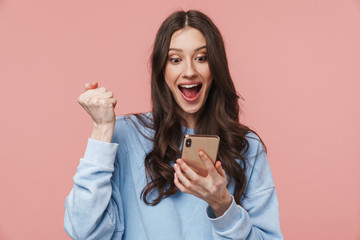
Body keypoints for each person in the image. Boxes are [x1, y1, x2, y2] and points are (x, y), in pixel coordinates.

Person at [64, 10, 283, 240]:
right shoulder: (124, 135)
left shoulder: (246, 146)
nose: (189, 71)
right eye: (175, 60)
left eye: (201, 58)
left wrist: (222, 206)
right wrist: (101, 130)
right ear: (162, 70)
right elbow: (82, 231)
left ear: (215, 68)